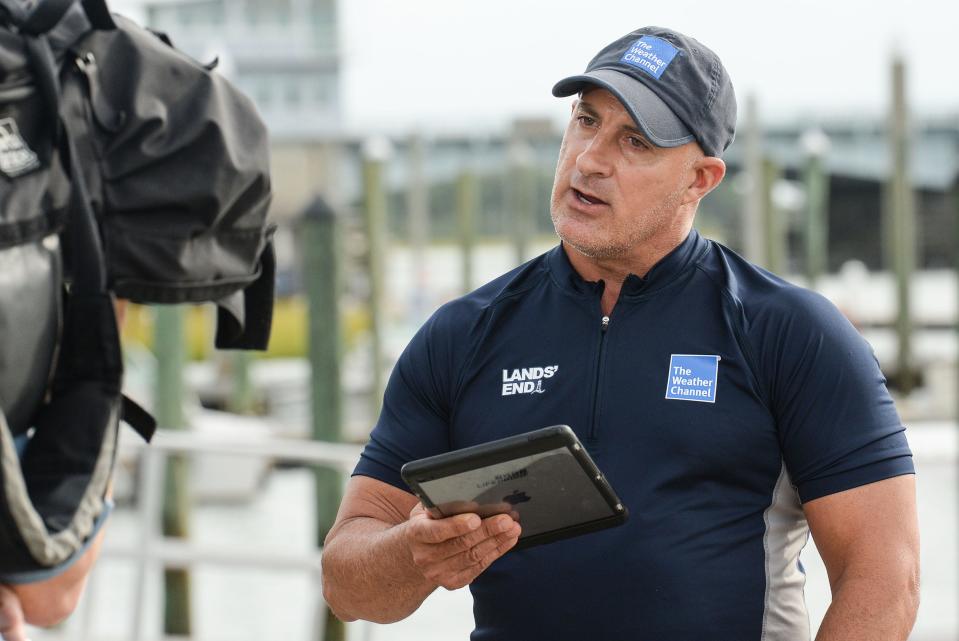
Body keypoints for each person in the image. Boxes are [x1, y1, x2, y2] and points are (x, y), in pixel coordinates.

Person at [321, 26, 919, 640]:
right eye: (585, 120)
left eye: (634, 141)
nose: (590, 160)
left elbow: (883, 577)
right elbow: (346, 585)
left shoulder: (789, 332)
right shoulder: (461, 333)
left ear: (700, 179)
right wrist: (410, 553)